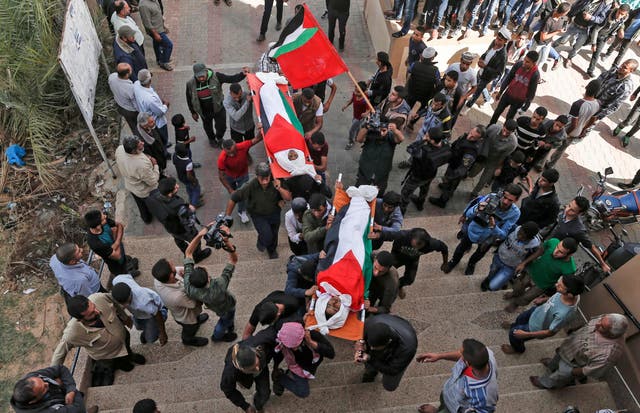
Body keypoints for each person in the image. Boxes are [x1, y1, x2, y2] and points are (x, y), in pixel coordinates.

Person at [52, 294, 146, 373]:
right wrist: (54, 375)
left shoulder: (99, 298)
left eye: (94, 306)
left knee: (128, 350)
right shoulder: (73, 333)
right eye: (91, 314)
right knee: (120, 364)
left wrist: (125, 317)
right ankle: (123, 365)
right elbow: (59, 353)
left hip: (123, 339)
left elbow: (115, 303)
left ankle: (131, 356)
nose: (97, 311)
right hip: (109, 356)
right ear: (80, 320)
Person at [531, 314, 628, 389]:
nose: (597, 324)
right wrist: (574, 330)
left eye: (602, 327)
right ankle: (553, 364)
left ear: (611, 335)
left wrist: (570, 373)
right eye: (600, 320)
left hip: (573, 364)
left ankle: (545, 383)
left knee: (560, 376)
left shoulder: (608, 355)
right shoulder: (606, 320)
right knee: (557, 358)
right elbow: (588, 324)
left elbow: (589, 370)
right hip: (567, 348)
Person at [443, 184, 523, 275]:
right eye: (504, 197)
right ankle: (454, 261)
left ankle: (471, 264)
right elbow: (469, 214)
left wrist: (494, 227)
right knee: (461, 247)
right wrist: (477, 209)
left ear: (516, 200)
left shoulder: (515, 213)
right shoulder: (491, 197)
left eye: (510, 200)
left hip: (488, 238)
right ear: (502, 193)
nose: (505, 202)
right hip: (473, 230)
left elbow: (503, 234)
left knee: (479, 254)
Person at [502, 273, 585, 354]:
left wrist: (526, 334)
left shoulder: (563, 314)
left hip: (536, 326)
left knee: (513, 334)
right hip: (538, 311)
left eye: (560, 286)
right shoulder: (575, 293)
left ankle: (518, 349)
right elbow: (557, 297)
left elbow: (550, 332)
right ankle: (514, 326)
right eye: (558, 282)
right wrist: (544, 299)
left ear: (570, 295)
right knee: (520, 318)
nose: (556, 285)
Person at [182, 226, 239, 342]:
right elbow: (233, 260)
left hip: (214, 307)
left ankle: (227, 325)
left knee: (225, 318)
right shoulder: (220, 284)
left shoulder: (189, 287)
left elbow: (188, 253)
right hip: (227, 306)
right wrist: (227, 242)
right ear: (208, 278)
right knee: (224, 321)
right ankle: (218, 336)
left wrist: (199, 236)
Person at [225, 162, 292, 259]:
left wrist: (279, 188)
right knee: (266, 235)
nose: (265, 181)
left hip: (274, 213)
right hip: (258, 215)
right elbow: (234, 198)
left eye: (267, 178)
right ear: (257, 176)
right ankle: (262, 240)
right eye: (262, 178)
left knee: (274, 234)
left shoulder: (277, 181)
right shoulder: (250, 185)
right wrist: (227, 218)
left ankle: (272, 250)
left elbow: (288, 197)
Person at [416, 339, 498, 413]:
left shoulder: (484, 397)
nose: (459, 354)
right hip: (449, 394)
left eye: (461, 354)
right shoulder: (484, 353)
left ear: (467, 363)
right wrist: (439, 356)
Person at [146, 177, 212, 262]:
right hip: (182, 229)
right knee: (195, 240)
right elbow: (188, 223)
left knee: (178, 240)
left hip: (170, 227)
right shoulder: (178, 206)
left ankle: (185, 252)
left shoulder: (153, 196)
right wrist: (190, 210)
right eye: (175, 187)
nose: (177, 186)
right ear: (169, 194)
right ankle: (196, 255)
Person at [504, 237, 578, 312]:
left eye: (561, 252)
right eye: (557, 247)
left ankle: (516, 304)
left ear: (569, 255)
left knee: (526, 298)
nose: (555, 252)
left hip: (541, 285)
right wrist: (524, 263)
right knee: (517, 286)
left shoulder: (570, 269)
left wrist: (546, 298)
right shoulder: (553, 242)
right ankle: (514, 293)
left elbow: (563, 286)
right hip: (531, 272)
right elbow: (539, 251)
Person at [186, 62, 249, 148]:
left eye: (202, 75)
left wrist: (242, 74)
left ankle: (219, 137)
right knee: (208, 127)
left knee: (222, 126)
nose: (201, 78)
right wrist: (193, 112)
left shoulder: (217, 77)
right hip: (204, 111)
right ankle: (211, 139)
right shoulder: (190, 84)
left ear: (206, 71)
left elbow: (231, 79)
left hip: (218, 108)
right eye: (198, 76)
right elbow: (189, 98)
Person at [150, 257, 210, 347]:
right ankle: (188, 340)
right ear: (171, 276)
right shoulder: (176, 296)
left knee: (196, 320)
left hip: (186, 310)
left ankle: (197, 320)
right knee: (190, 328)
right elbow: (194, 304)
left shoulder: (159, 278)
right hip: (186, 317)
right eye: (172, 266)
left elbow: (182, 269)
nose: (175, 265)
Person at [354, 314, 418, 391]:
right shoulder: (369, 323)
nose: (372, 348)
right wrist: (359, 343)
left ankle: (387, 383)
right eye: (371, 345)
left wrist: (370, 358)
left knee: (390, 385)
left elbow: (393, 370)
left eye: (375, 347)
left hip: (399, 355)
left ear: (388, 342)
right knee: (370, 360)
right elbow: (360, 336)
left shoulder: (408, 348)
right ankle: (371, 373)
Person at [428, 125, 487, 208]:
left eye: (473, 137)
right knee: (448, 182)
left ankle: (442, 201)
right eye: (470, 133)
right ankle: (446, 186)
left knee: (451, 184)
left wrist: (450, 177)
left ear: (479, 139)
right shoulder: (466, 136)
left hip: (457, 169)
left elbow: (463, 168)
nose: (470, 137)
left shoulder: (472, 151)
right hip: (453, 162)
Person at [271, 322, 335, 398]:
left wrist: (311, 342)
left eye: (295, 345)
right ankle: (280, 378)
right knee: (303, 392)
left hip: (312, 364)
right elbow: (277, 356)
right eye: (291, 347)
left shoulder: (313, 334)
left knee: (308, 376)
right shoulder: (284, 341)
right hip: (297, 366)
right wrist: (275, 369)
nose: (294, 349)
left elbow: (331, 354)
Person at [548, 196, 611, 272]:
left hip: (556, 252)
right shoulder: (563, 211)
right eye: (569, 205)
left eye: (572, 210)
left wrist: (602, 264)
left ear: (580, 213)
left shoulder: (578, 230)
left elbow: (591, 247)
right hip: (548, 240)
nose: (567, 210)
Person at [546, 80, 601, 168]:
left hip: (568, 130)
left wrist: (565, 134)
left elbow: (573, 124)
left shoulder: (578, 104)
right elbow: (593, 119)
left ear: (586, 87)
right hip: (577, 132)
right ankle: (550, 165)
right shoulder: (598, 104)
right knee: (561, 149)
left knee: (551, 142)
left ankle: (541, 162)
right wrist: (584, 128)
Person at [220, 328, 277, 412]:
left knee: (265, 392)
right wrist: (245, 406)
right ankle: (241, 380)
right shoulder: (230, 373)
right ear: (241, 368)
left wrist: (276, 366)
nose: (258, 368)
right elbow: (228, 389)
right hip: (242, 376)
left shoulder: (262, 340)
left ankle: (258, 404)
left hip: (256, 370)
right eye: (253, 368)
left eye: (257, 363)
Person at [384, 228, 448, 299]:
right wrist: (378, 233)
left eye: (419, 246)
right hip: (397, 256)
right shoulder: (402, 235)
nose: (415, 248)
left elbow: (444, 248)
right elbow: (388, 234)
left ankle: (398, 286)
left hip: (413, 260)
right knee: (385, 272)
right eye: (413, 245)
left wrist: (445, 262)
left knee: (410, 279)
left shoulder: (432, 244)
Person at [400, 126, 451, 213]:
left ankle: (402, 209)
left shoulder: (423, 151)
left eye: (427, 136)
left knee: (406, 192)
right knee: (424, 189)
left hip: (417, 175)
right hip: (430, 174)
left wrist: (422, 140)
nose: (425, 136)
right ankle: (420, 203)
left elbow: (410, 148)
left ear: (433, 141)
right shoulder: (446, 146)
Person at [584, 59, 638, 139]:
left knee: (586, 127)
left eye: (625, 67)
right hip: (590, 99)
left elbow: (614, 106)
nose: (621, 67)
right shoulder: (613, 71)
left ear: (631, 71)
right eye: (622, 64)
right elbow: (600, 79)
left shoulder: (626, 87)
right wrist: (590, 90)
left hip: (598, 110)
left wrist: (598, 117)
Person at [552, 0, 613, 70]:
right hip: (575, 24)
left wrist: (591, 18)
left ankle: (569, 58)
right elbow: (576, 5)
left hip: (585, 29)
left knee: (577, 47)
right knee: (563, 38)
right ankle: (551, 47)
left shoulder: (604, 5)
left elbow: (601, 19)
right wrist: (570, 15)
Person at [10, 366, 98, 413]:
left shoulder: (33, 377)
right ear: (33, 401)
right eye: (43, 388)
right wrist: (72, 391)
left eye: (43, 381)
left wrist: (70, 390)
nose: (47, 383)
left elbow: (61, 369)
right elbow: (78, 409)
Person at [481, 222, 541, 291]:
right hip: (499, 258)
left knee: (493, 287)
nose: (519, 237)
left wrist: (523, 264)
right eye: (520, 233)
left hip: (510, 267)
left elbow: (538, 253)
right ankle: (488, 279)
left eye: (523, 237)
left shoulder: (534, 245)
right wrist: (488, 242)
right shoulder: (513, 228)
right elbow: (501, 234)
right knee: (492, 271)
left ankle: (503, 281)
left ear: (530, 239)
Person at [218, 134, 264, 224]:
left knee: (242, 194)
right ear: (224, 150)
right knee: (233, 193)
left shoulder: (242, 146)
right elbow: (221, 176)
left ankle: (242, 211)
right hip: (229, 177)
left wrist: (261, 127)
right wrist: (230, 189)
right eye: (229, 153)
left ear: (236, 146)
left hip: (242, 175)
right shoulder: (221, 158)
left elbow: (257, 138)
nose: (231, 154)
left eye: (233, 151)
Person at [84, 209, 139, 284]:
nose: (105, 216)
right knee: (121, 272)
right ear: (98, 227)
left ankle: (127, 265)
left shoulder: (103, 220)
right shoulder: (95, 243)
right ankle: (128, 276)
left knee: (124, 260)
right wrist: (115, 236)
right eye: (103, 218)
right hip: (114, 262)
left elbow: (120, 225)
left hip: (118, 248)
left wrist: (115, 243)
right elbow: (117, 256)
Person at [462, 28, 510, 112]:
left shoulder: (503, 56)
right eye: (497, 38)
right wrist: (481, 58)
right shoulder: (493, 43)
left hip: (487, 77)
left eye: (500, 40)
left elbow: (499, 73)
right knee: (479, 86)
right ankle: (488, 99)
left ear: (505, 42)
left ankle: (467, 107)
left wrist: (485, 67)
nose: (497, 41)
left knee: (476, 92)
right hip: (480, 72)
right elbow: (487, 52)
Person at [111, 274, 168, 345]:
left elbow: (157, 314)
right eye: (122, 303)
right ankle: (147, 332)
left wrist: (163, 333)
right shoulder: (117, 279)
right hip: (139, 314)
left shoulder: (143, 303)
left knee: (150, 339)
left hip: (154, 313)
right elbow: (129, 275)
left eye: (127, 302)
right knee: (138, 326)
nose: (125, 305)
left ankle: (149, 336)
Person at [115, 135, 159, 224]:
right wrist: (155, 166)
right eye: (140, 145)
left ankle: (146, 219)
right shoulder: (141, 165)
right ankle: (156, 215)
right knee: (152, 204)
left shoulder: (120, 149)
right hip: (144, 190)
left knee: (141, 205)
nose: (143, 143)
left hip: (130, 185)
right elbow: (153, 181)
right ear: (133, 151)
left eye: (140, 141)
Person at [468, 118, 518, 199]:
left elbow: (504, 156)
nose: (505, 134)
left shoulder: (513, 143)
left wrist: (498, 167)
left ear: (512, 132)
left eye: (508, 133)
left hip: (494, 161)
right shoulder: (493, 128)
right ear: (503, 125)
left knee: (483, 180)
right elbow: (482, 138)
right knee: (472, 173)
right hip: (483, 155)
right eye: (504, 130)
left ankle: (474, 192)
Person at [355, 118, 404, 195]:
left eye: (384, 130)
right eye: (379, 130)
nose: (381, 133)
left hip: (382, 173)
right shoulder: (371, 133)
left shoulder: (390, 136)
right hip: (365, 170)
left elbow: (401, 139)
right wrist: (366, 127)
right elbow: (359, 139)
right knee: (359, 192)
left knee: (379, 194)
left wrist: (395, 130)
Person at [489, 50, 540, 124]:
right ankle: (490, 126)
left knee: (509, 118)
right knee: (497, 112)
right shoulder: (518, 65)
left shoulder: (535, 75)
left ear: (534, 63)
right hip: (508, 94)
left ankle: (504, 132)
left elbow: (531, 92)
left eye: (527, 62)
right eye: (524, 60)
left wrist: (526, 106)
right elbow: (508, 78)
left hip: (519, 100)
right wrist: (500, 92)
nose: (524, 63)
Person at [585, 5, 630, 78]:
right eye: (619, 12)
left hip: (603, 39)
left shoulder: (623, 19)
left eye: (622, 14)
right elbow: (596, 30)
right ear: (618, 9)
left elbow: (620, 25)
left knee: (596, 54)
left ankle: (590, 71)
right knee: (582, 44)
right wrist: (593, 44)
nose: (619, 15)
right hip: (594, 34)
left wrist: (614, 34)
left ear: (626, 14)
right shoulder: (608, 15)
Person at [134, 69, 170, 152]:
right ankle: (165, 152)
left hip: (147, 117)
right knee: (161, 139)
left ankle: (165, 145)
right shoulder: (149, 99)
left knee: (159, 138)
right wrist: (166, 105)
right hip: (158, 123)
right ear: (150, 80)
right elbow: (160, 112)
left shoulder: (136, 85)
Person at [530, 2, 569, 71]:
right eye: (567, 12)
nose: (567, 14)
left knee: (542, 60)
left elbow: (565, 20)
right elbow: (543, 38)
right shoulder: (549, 21)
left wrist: (564, 26)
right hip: (538, 43)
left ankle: (535, 74)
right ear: (564, 12)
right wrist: (558, 32)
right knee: (531, 59)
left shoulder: (562, 17)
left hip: (547, 43)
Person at [138, 0, 173, 70]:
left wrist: (163, 26)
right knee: (169, 45)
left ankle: (159, 59)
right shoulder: (143, 6)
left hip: (159, 28)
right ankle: (164, 62)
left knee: (157, 43)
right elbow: (147, 22)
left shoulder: (154, 1)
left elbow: (158, 13)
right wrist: (155, 34)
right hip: (155, 30)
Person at [108, 63, 140, 137]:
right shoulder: (130, 88)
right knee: (137, 126)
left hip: (120, 105)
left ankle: (136, 137)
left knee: (132, 125)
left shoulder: (112, 77)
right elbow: (136, 104)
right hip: (131, 111)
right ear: (126, 75)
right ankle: (140, 139)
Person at [406, 48, 441, 112]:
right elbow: (438, 84)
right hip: (424, 97)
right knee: (419, 112)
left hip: (412, 93)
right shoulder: (435, 70)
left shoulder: (414, 64)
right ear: (432, 58)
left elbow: (409, 73)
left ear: (422, 56)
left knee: (407, 109)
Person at [173, 142, 203, 207]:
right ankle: (194, 203)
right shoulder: (188, 162)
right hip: (188, 179)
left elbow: (174, 163)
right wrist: (194, 181)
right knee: (196, 189)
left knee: (188, 188)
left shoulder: (175, 155)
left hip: (181, 177)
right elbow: (189, 175)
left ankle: (191, 197)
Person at [136, 112, 167, 176]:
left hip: (160, 148)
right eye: (151, 122)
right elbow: (149, 154)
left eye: (153, 120)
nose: (154, 122)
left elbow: (157, 132)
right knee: (160, 166)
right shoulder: (141, 140)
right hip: (156, 155)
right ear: (144, 126)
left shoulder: (150, 126)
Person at [342, 81, 368, 149]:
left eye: (358, 92)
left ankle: (351, 141)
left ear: (363, 92)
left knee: (352, 130)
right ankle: (357, 136)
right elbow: (352, 100)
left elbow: (369, 109)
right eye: (355, 90)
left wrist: (365, 113)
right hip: (355, 115)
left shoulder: (365, 100)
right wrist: (346, 105)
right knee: (357, 127)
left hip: (359, 118)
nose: (356, 93)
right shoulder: (354, 94)